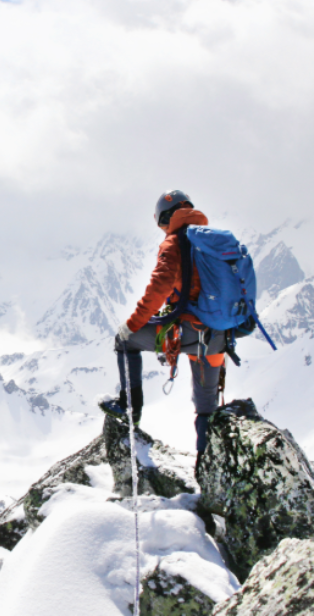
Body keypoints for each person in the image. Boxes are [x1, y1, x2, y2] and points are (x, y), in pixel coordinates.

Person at [99, 189, 225, 475]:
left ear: (165, 219)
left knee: (124, 341)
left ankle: (130, 409)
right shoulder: (214, 242)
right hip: (218, 338)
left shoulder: (175, 242)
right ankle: (208, 472)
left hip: (189, 332)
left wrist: (132, 324)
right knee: (206, 407)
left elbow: (159, 288)